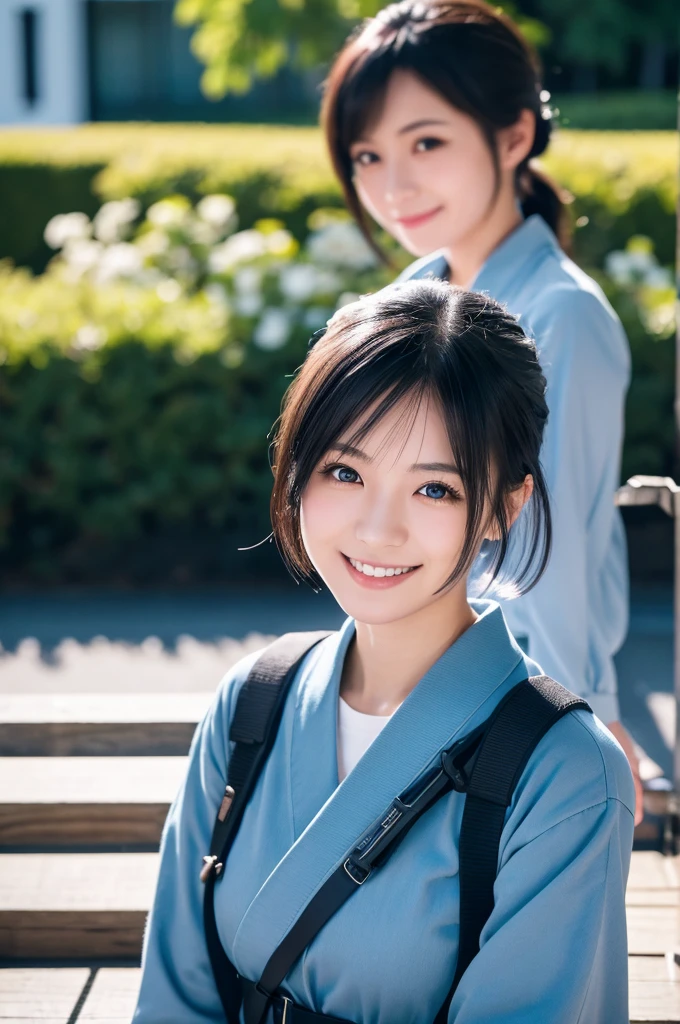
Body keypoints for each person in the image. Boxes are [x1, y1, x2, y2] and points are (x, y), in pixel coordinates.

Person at [133, 281, 634, 1023]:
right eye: (345, 471)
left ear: (505, 504)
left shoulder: (567, 775)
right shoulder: (254, 700)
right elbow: (174, 1000)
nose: (377, 529)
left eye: (434, 490)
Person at [320, 0, 642, 822]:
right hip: (414, 685)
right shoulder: (401, 305)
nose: (394, 185)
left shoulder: (561, 317)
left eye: (427, 141)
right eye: (368, 153)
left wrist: (585, 719)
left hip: (512, 707)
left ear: (512, 137)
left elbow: (557, 549)